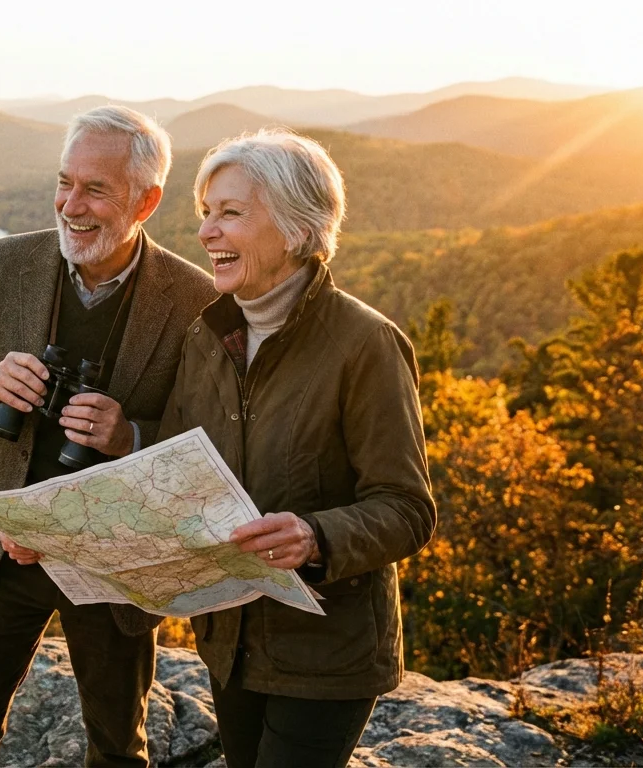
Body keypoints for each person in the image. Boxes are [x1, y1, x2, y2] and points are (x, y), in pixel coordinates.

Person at [0, 106, 218, 767]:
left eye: (94, 189)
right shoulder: (2, 263)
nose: (70, 205)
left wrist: (130, 435)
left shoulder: (195, 299)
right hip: (2, 549)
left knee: (117, 749)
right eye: (64, 182)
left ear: (147, 200)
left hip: (113, 557)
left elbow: (210, 439)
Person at [157, 128, 436, 768]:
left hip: (324, 658)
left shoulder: (365, 344)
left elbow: (407, 509)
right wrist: (71, 538)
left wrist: (315, 537)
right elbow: (176, 472)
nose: (205, 234)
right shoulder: (209, 335)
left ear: (295, 226)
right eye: (206, 213)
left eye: (230, 213)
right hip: (229, 642)